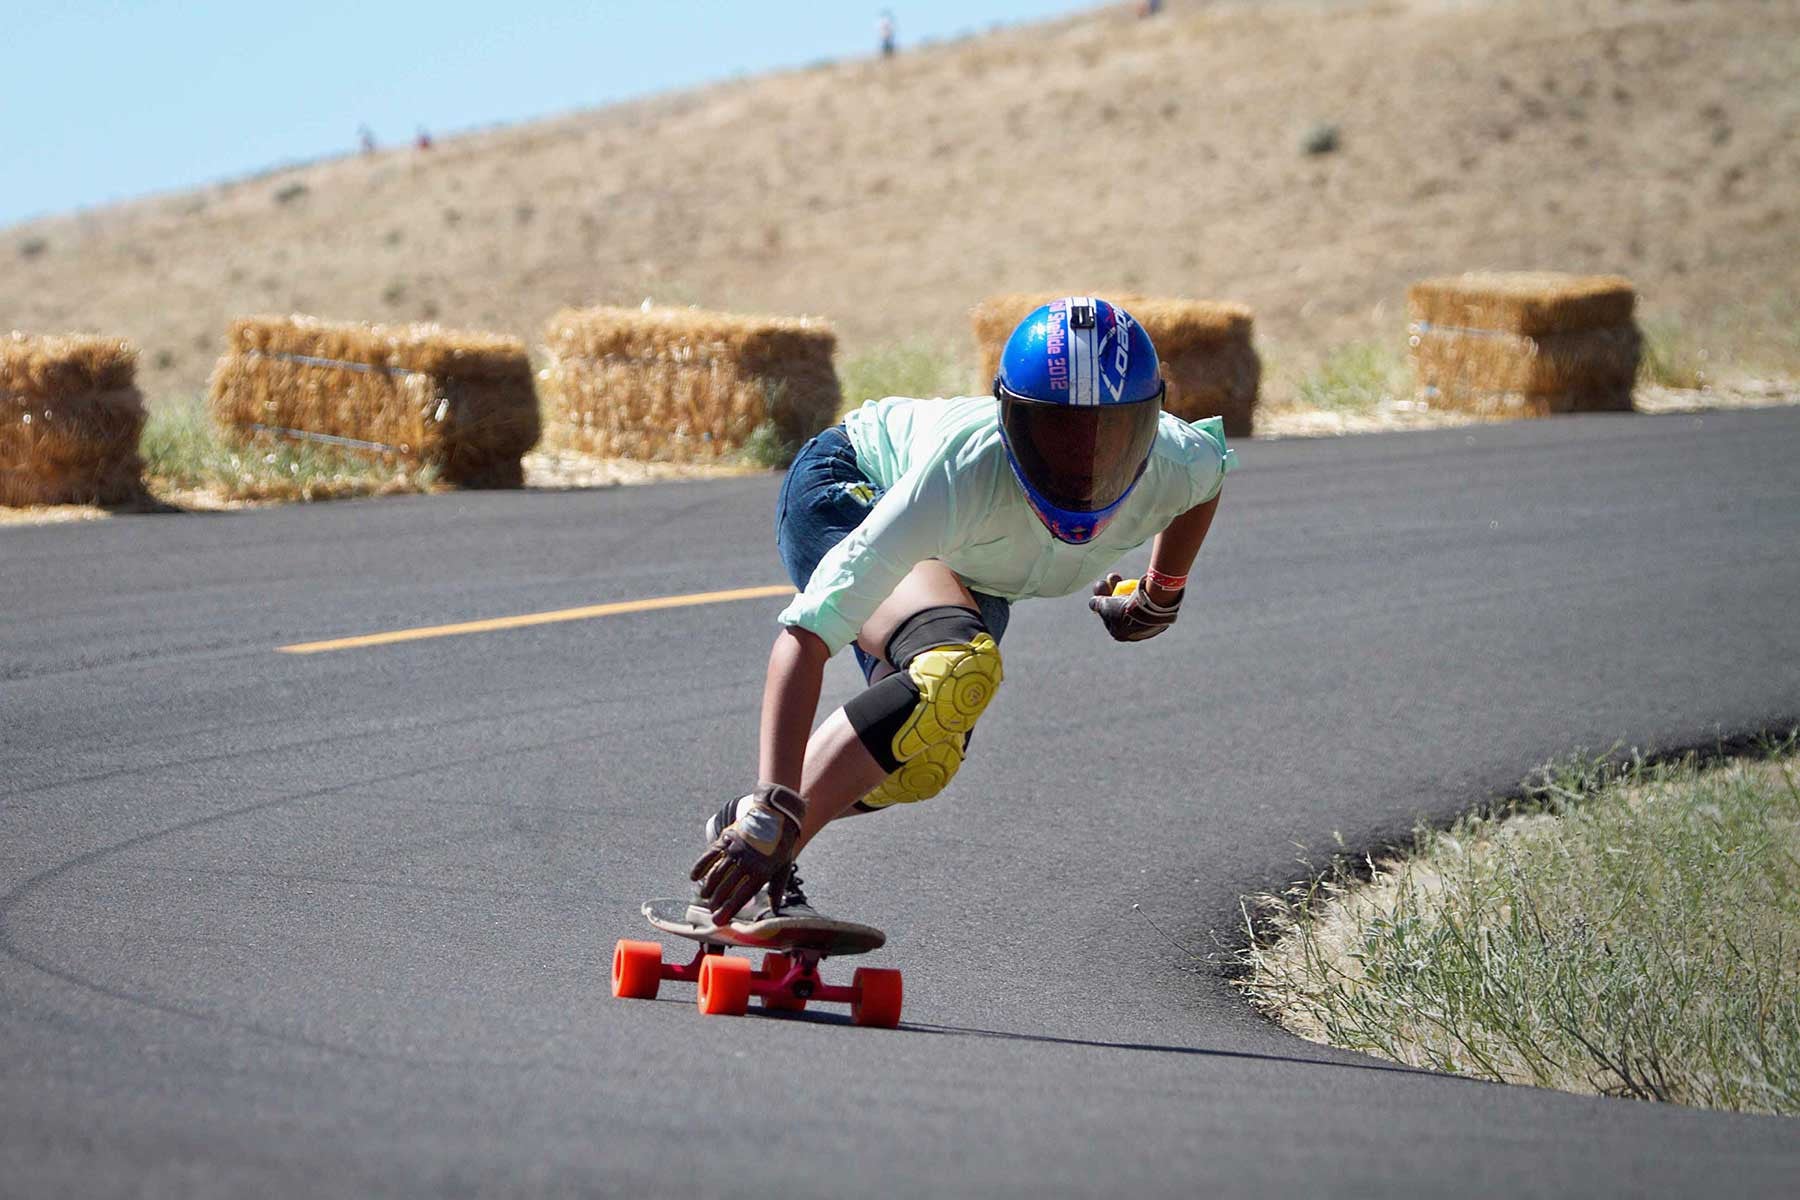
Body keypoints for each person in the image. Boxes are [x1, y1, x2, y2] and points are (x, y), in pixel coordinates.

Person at [689, 297, 1235, 925]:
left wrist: (1161, 591)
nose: (1085, 470)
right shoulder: (959, 476)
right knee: (953, 667)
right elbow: (804, 638)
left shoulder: (1175, 461)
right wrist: (775, 801)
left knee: (922, 763)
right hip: (854, 485)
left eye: (1115, 439)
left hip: (967, 568)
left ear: (1154, 421)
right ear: (1007, 418)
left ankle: (742, 832)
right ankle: (766, 867)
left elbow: (1211, 472)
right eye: (1056, 436)